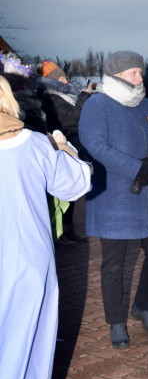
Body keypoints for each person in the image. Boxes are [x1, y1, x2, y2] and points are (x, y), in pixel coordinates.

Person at [0, 76, 91, 379]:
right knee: (28, 352)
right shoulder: (35, 145)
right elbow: (77, 184)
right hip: (27, 268)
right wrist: (65, 148)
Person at [78, 51, 148, 351]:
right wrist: (136, 169)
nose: (139, 77)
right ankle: (116, 321)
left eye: (139, 72)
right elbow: (95, 145)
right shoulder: (98, 104)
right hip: (114, 196)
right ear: (117, 75)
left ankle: (143, 305)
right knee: (114, 263)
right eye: (133, 72)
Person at [36, 60, 92, 245]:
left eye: (64, 76)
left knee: (71, 190)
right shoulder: (50, 96)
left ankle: (68, 229)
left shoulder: (62, 95)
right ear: (53, 80)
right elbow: (72, 118)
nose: (66, 80)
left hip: (70, 144)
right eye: (61, 77)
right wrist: (84, 96)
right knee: (60, 193)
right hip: (60, 146)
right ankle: (58, 233)